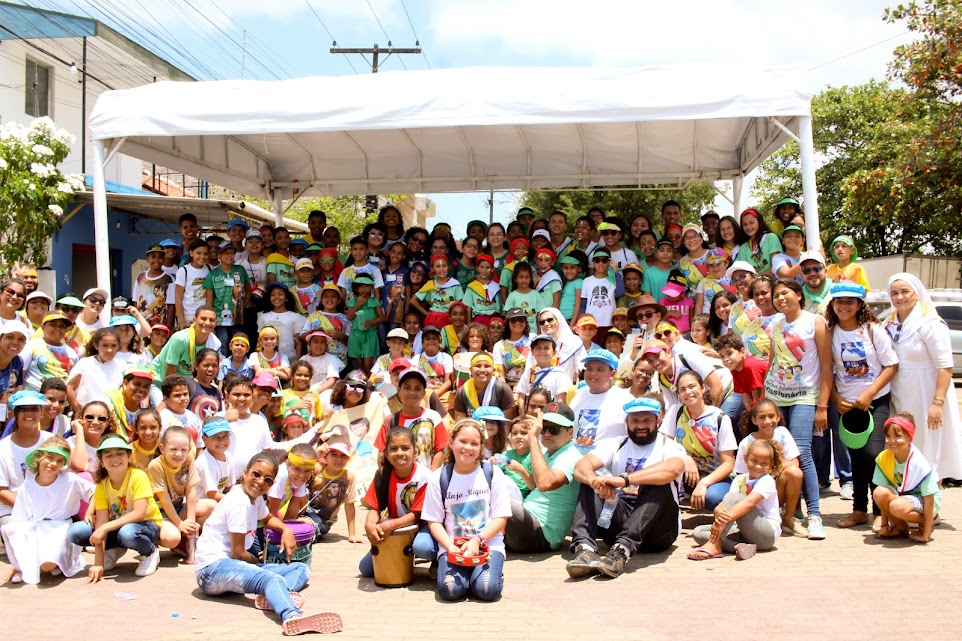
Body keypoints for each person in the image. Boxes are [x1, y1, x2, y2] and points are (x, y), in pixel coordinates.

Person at [194, 450, 343, 635]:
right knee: (270, 577)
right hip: (212, 571)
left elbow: (267, 518)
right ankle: (291, 616)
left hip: (230, 566)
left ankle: (274, 595)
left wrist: (285, 529)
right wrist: (259, 564)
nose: (260, 482)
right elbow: (238, 553)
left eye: (268, 480)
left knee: (301, 569)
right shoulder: (238, 502)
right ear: (245, 473)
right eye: (256, 474)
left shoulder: (253, 499)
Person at [566, 395, 686, 579]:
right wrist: (596, 482)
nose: (641, 426)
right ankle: (585, 549)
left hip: (658, 532)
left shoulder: (669, 446)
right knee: (588, 481)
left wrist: (624, 480)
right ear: (626, 421)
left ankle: (621, 551)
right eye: (635, 420)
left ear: (658, 420)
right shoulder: (615, 443)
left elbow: (672, 469)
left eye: (647, 420)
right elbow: (581, 466)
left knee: (659, 483)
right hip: (618, 518)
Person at [826, 283, 898, 529]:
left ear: (859, 305)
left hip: (875, 401)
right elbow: (827, 371)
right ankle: (859, 510)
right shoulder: (830, 332)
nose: (844, 306)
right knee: (856, 457)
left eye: (849, 302)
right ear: (832, 305)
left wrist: (869, 394)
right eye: (839, 302)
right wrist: (835, 398)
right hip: (846, 405)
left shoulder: (872, 329)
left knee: (874, 455)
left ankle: (881, 511)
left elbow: (891, 366)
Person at [765, 279, 832, 540]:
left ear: (798, 294)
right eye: (776, 295)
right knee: (780, 453)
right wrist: (764, 396)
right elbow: (772, 362)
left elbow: (827, 367)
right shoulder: (775, 324)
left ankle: (815, 514)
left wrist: (823, 406)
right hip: (777, 395)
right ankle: (795, 512)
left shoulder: (815, 321)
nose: (781, 299)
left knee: (802, 451)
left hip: (805, 395)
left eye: (785, 293)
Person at [883, 273, 962, 482]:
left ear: (916, 294)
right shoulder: (888, 324)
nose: (899, 297)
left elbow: (945, 366)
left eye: (905, 292)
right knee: (905, 443)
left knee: (929, 445)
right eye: (894, 293)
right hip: (899, 393)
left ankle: (930, 504)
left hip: (926, 391)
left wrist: (937, 403)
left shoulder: (930, 323)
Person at [422, 418, 511, 602]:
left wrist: (478, 540)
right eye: (462, 441)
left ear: (481, 447)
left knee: (487, 590)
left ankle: (488, 573)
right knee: (450, 591)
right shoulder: (438, 477)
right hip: (453, 546)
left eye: (474, 443)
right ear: (451, 442)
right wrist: (450, 547)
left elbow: (501, 517)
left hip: (487, 544)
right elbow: (434, 521)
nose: (467, 448)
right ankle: (458, 573)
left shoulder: (493, 473)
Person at [66, 434, 163, 581]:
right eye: (108, 455)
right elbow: (101, 522)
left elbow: (139, 514)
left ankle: (149, 552)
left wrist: (105, 528)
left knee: (127, 533)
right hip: (119, 526)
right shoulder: (102, 484)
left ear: (129, 457)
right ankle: (112, 549)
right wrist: (98, 564)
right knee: (76, 531)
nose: (115, 458)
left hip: (146, 526)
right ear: (102, 462)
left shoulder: (138, 476)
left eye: (120, 453)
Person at [0, 435, 94, 584]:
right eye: (49, 457)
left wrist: (89, 511)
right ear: (39, 457)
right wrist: (16, 560)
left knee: (47, 565)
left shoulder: (70, 480)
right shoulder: (28, 484)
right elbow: (19, 516)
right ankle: (30, 565)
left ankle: (62, 560)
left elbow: (94, 492)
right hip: (35, 527)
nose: (53, 463)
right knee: (12, 531)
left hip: (60, 527)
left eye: (60, 460)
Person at [358, 425, 437, 578]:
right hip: (398, 529)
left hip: (423, 527)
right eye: (393, 449)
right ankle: (404, 557)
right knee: (366, 569)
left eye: (405, 448)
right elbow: (374, 508)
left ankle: (437, 559)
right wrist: (370, 525)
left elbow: (417, 516)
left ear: (415, 452)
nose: (399, 453)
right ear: (386, 454)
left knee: (423, 547)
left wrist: (391, 524)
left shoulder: (425, 476)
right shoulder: (383, 474)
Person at [504, 402, 582, 553]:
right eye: (544, 428)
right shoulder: (548, 452)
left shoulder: (570, 455)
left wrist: (533, 439)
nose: (546, 434)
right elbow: (534, 485)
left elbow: (545, 484)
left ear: (570, 432)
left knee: (498, 499)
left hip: (542, 533)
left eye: (554, 429)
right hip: (526, 521)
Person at [688, 439, 782, 560]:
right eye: (754, 461)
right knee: (699, 532)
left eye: (764, 463)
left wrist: (721, 523)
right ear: (746, 457)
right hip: (743, 530)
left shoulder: (767, 480)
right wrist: (718, 512)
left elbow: (749, 503)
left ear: (771, 464)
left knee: (737, 498)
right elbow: (726, 504)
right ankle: (738, 547)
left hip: (765, 534)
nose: (758, 466)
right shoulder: (739, 479)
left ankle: (714, 544)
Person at [660, 370, 736, 512]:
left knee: (713, 498)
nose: (688, 392)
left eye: (692, 386)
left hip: (716, 476)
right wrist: (685, 457)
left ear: (702, 388)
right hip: (685, 472)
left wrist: (704, 483)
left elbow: (728, 463)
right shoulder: (676, 412)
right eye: (682, 389)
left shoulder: (719, 418)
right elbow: (664, 445)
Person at [735, 398, 806, 536]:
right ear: (754, 420)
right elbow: (741, 477)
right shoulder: (746, 443)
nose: (768, 421)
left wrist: (772, 469)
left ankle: (789, 518)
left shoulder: (783, 433)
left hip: (776, 488)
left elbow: (794, 462)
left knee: (795, 473)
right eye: (762, 417)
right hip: (754, 494)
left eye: (771, 416)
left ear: (778, 417)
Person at [873, 414, 940, 543]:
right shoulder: (883, 458)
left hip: (925, 501)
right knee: (879, 492)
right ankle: (900, 528)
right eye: (888, 436)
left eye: (898, 436)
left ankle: (928, 521)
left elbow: (930, 499)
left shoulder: (919, 463)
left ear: (909, 438)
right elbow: (883, 494)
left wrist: (925, 535)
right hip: (902, 498)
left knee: (896, 506)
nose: (892, 441)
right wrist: (884, 524)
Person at [0, 391, 55, 547]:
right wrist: (29, 507)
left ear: (41, 412)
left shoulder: (51, 442)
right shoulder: (3, 448)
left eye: (34, 408)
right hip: (12, 510)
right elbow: (1, 490)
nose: (29, 413)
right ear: (14, 413)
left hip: (49, 509)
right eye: (23, 409)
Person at [149, 426, 215, 552]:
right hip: (160, 512)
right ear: (162, 448)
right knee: (171, 538)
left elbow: (191, 490)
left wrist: (190, 521)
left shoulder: (188, 458)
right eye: (173, 449)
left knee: (211, 506)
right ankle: (152, 540)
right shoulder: (155, 466)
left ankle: (183, 541)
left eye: (183, 449)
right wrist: (179, 523)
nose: (179, 454)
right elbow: (164, 498)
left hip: (178, 507)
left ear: (189, 449)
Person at [375, 368, 448, 469]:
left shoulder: (434, 417)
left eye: (417, 388)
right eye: (407, 388)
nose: (412, 393)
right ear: (399, 391)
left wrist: (429, 478)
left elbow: (440, 450)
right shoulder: (390, 421)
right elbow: (382, 455)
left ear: (423, 393)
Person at [568, 349, 632, 453]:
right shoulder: (578, 397)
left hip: (606, 466)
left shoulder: (625, 399)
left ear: (612, 374)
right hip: (575, 462)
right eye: (589, 369)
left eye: (600, 370)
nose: (593, 374)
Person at [303, 440, 358, 543]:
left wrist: (352, 535)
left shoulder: (348, 478)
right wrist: (316, 454)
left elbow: (349, 506)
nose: (339, 459)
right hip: (304, 511)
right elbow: (299, 467)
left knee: (303, 528)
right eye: (334, 455)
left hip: (323, 521)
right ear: (326, 457)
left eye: (343, 456)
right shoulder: (318, 468)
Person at [149, 306, 220, 382]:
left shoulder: (215, 344)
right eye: (203, 319)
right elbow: (170, 375)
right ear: (194, 320)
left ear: (216, 323)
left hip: (185, 383)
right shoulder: (180, 339)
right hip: (158, 379)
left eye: (211, 320)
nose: (207, 323)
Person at [66, 327, 123, 414]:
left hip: (111, 416)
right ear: (96, 345)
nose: (109, 350)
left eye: (114, 346)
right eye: (105, 345)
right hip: (88, 416)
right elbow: (70, 387)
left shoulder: (121, 365)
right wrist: (79, 411)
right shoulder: (85, 363)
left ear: (119, 347)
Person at [452, 352, 516, 421]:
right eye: (478, 366)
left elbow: (507, 423)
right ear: (470, 370)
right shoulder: (463, 391)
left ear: (493, 370)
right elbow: (461, 422)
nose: (482, 370)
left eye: (487, 366)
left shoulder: (502, 389)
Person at [492, 307, 531, 390]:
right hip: (509, 386)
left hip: (531, 384)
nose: (517, 322)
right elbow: (500, 373)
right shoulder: (499, 345)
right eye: (513, 320)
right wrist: (507, 392)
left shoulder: (533, 339)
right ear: (507, 323)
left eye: (521, 319)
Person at [196, 417, 234, 501]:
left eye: (225, 436)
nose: (221, 441)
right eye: (215, 437)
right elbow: (212, 494)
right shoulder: (204, 463)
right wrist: (234, 500)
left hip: (219, 501)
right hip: (202, 504)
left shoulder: (229, 456)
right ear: (204, 439)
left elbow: (229, 487)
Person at [735, 208, 780, 274]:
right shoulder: (743, 248)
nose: (748, 227)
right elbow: (741, 272)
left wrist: (758, 278)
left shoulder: (771, 238)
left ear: (759, 221)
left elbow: (777, 266)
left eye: (751, 222)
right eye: (745, 224)